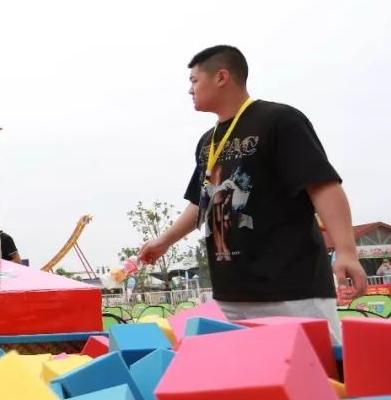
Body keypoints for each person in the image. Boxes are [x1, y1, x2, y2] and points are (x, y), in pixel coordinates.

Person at [138, 45, 366, 342]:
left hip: (291, 291)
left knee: (317, 381)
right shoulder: (208, 141)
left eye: (194, 80)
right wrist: (163, 242)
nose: (189, 90)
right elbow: (201, 201)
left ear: (221, 77)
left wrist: (346, 250)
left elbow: (322, 184)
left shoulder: (279, 120)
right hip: (231, 296)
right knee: (247, 385)